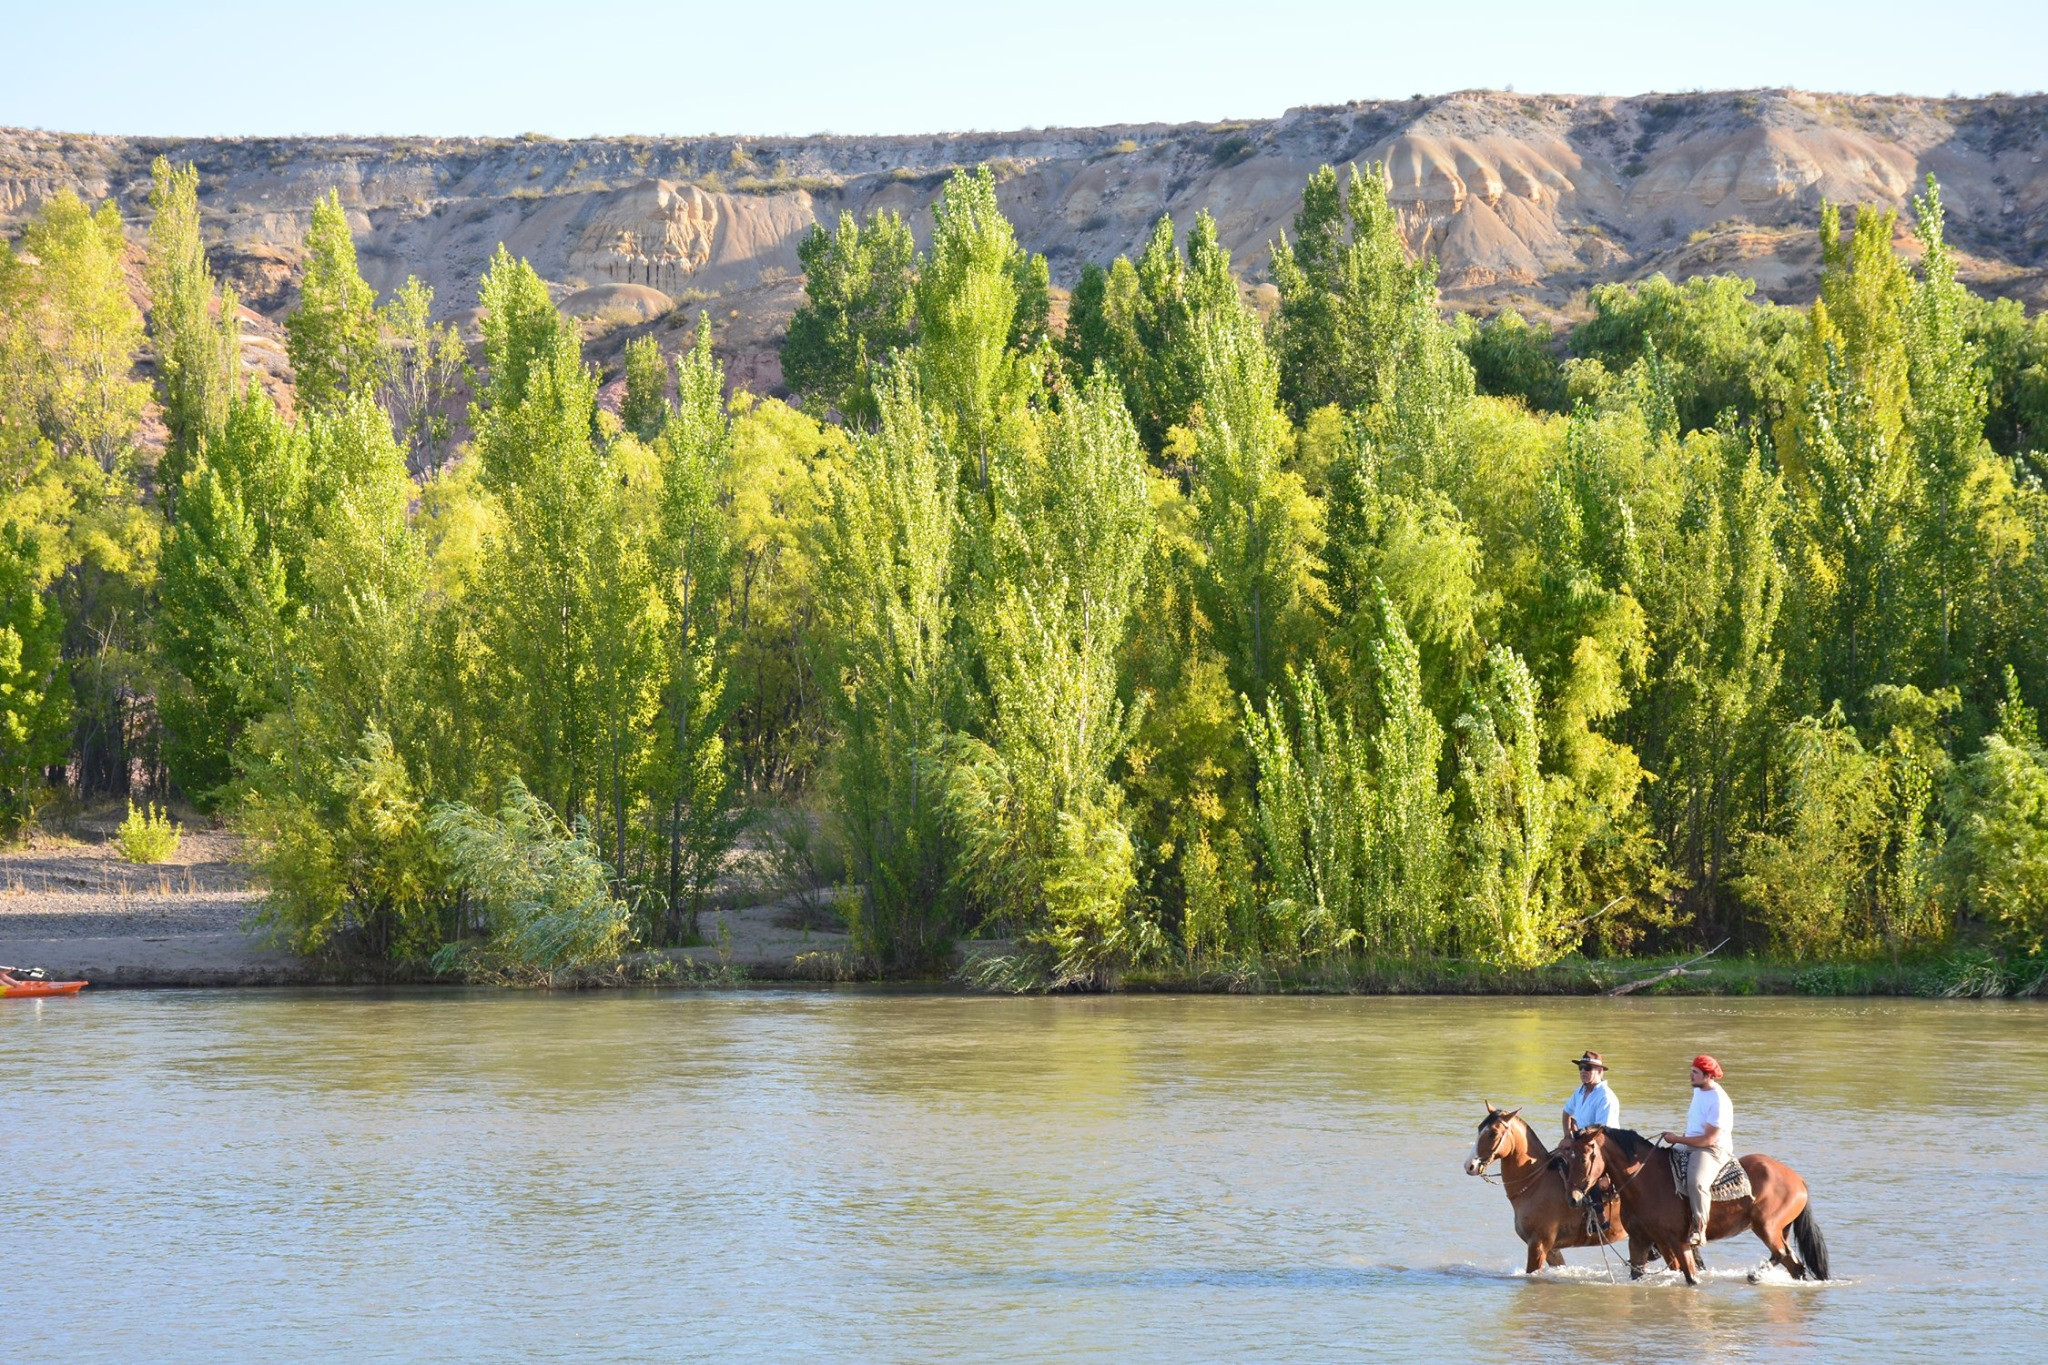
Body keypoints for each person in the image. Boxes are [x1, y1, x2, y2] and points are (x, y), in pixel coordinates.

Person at [1660, 1054, 1734, 1246]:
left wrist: (1676, 1139)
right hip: (1691, 1142)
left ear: (1708, 1075)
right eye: (1691, 1071)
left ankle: (1699, 1229)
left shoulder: (1719, 1100)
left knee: (1697, 1182)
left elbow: (1708, 1139)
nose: (1690, 1076)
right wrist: (1678, 1141)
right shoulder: (1699, 1090)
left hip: (1712, 1149)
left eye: (1695, 1072)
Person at [1561, 1050, 1620, 1131]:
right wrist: (1567, 1137)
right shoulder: (1579, 1092)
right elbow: (1566, 1112)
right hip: (1583, 1140)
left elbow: (1602, 1130)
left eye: (1587, 1068)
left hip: (1602, 1141)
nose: (1583, 1071)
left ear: (1599, 1071)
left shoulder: (1606, 1097)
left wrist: (1579, 1135)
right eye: (1580, 1067)